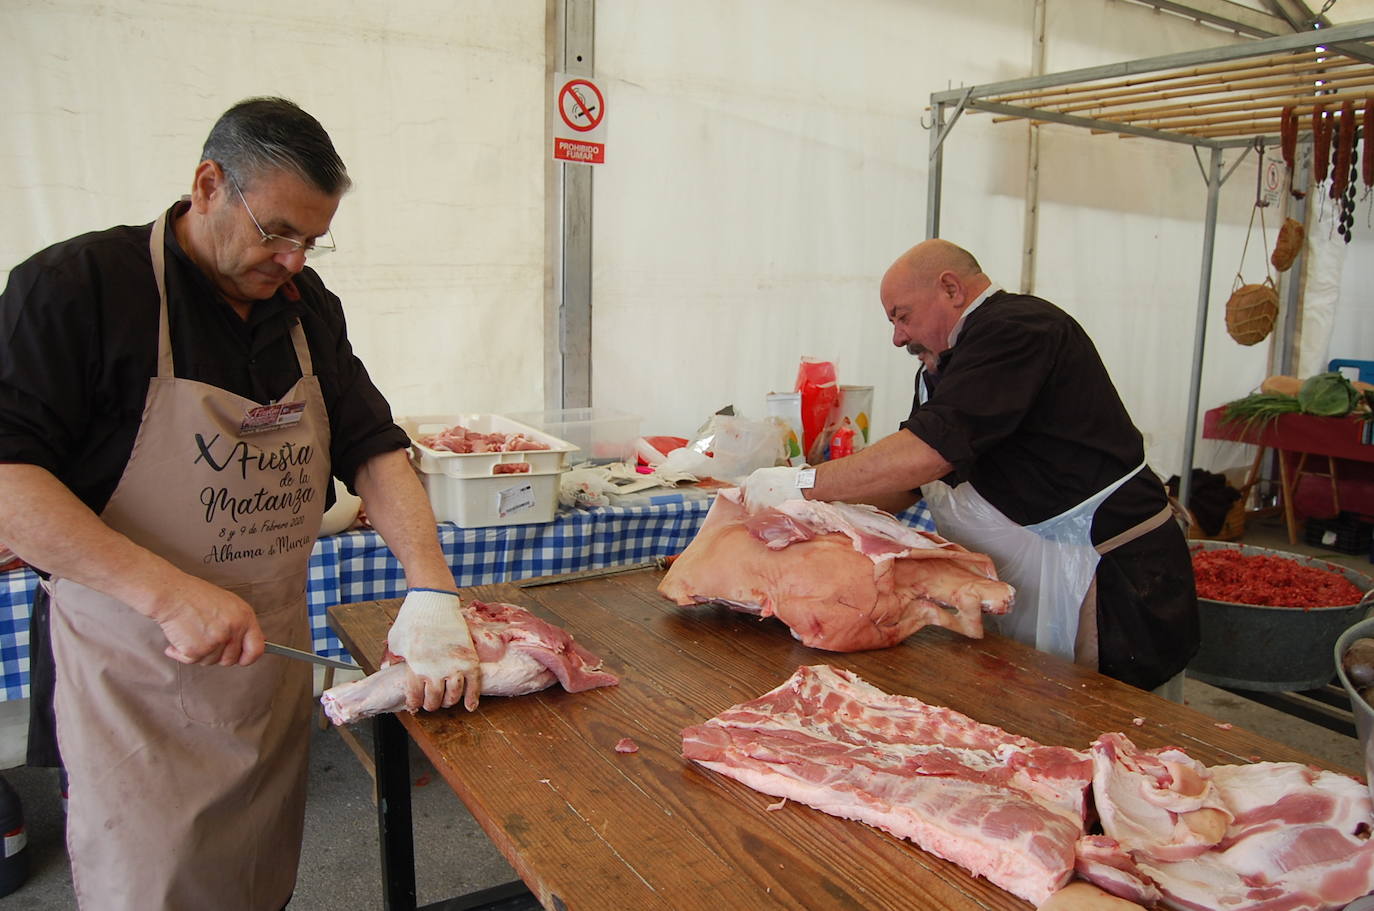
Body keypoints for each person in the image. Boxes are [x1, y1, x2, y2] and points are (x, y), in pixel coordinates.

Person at [0, 97, 480, 910]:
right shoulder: (76, 288)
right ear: (209, 184)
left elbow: (373, 445)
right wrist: (164, 591)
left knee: (258, 876)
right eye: (277, 232)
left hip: (266, 660)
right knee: (155, 884)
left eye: (313, 240)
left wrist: (430, 586)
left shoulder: (305, 306)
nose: (294, 259)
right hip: (135, 668)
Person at [742, 239, 1198, 695]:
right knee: (1038, 718)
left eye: (902, 315)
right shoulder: (943, 366)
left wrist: (800, 483)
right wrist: (814, 512)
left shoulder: (1019, 329)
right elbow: (915, 482)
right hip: (1035, 577)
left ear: (951, 289)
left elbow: (927, 453)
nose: (898, 337)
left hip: (1103, 572)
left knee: (1114, 725)